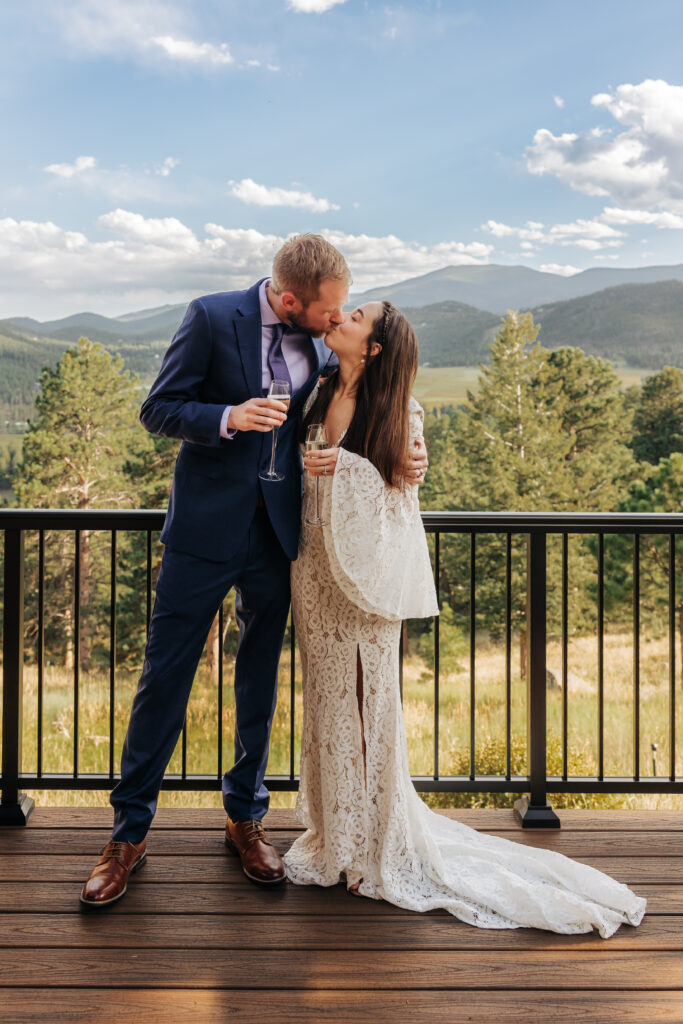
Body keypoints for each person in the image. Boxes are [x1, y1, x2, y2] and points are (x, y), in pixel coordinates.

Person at [80, 234, 428, 908]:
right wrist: (226, 417)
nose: (336, 321)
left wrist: (408, 463)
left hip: (279, 537)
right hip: (203, 532)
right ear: (292, 300)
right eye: (328, 312)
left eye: (343, 315)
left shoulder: (326, 357)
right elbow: (158, 408)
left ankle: (246, 819)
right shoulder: (211, 316)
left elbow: (379, 409)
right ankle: (127, 835)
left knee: (258, 682)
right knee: (165, 677)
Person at [283, 299, 646, 938]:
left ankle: (376, 846)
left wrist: (352, 467)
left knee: (372, 702)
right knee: (330, 702)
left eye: (357, 315)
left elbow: (399, 497)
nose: (342, 315)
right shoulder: (315, 388)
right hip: (313, 569)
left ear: (373, 348)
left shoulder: (400, 413)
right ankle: (337, 837)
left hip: (363, 582)